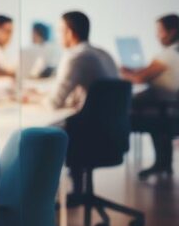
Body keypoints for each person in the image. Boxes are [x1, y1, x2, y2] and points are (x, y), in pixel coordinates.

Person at [122, 14, 179, 179]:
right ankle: (163, 163)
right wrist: (134, 71)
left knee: (128, 111)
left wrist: (120, 72)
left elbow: (140, 78)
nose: (156, 35)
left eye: (159, 31)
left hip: (166, 110)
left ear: (172, 32)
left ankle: (162, 163)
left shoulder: (168, 55)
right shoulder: (174, 52)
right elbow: (146, 72)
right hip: (171, 108)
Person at [44, 11, 117, 110]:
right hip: (110, 119)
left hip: (93, 122)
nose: (57, 36)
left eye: (59, 31)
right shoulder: (103, 53)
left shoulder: (75, 57)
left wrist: (32, 98)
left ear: (69, 33)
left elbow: (54, 103)